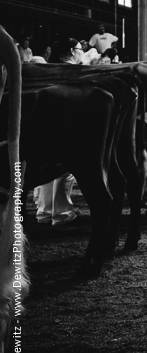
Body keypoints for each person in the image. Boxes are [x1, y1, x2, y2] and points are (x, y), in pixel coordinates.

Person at [35, 38, 84, 225]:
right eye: (80, 49)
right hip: (67, 122)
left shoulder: (47, 69)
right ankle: (61, 213)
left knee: (47, 168)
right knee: (66, 170)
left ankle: (44, 212)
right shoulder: (75, 71)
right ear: (72, 51)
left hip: (44, 124)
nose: (82, 53)